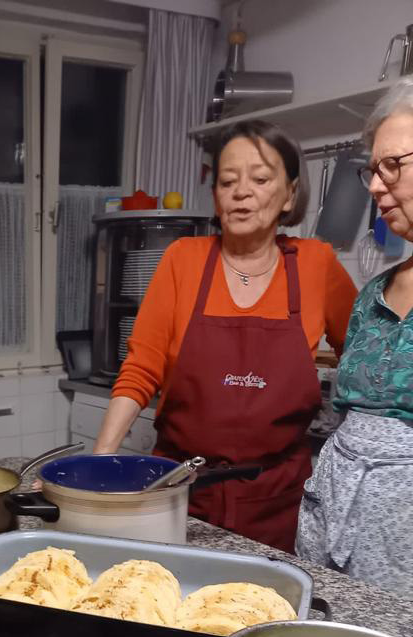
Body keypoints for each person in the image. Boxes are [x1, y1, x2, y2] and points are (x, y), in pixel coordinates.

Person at [93, 120, 357, 553]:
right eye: (228, 181)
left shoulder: (316, 264)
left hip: (276, 498)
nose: (241, 192)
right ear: (216, 195)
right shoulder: (183, 259)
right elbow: (142, 368)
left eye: (260, 179)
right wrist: (101, 460)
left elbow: (363, 361)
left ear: (290, 194)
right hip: (179, 491)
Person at [296, 81, 413, 596]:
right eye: (374, 169)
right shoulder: (372, 294)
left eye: (393, 166)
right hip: (333, 516)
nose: (374, 186)